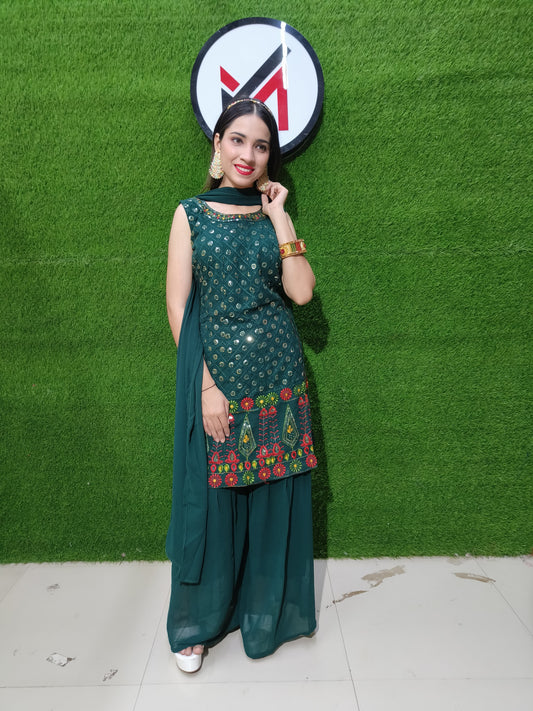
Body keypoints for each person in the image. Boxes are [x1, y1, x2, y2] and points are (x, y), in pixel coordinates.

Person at [165, 97, 318, 673]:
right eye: (237, 139)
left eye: (260, 145)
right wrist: (205, 386)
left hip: (279, 377)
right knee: (212, 501)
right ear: (217, 144)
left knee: (272, 496)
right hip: (219, 381)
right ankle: (199, 622)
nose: (248, 154)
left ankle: (264, 611)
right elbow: (178, 305)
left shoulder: (272, 214)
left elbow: (301, 292)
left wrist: (281, 218)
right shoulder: (190, 214)